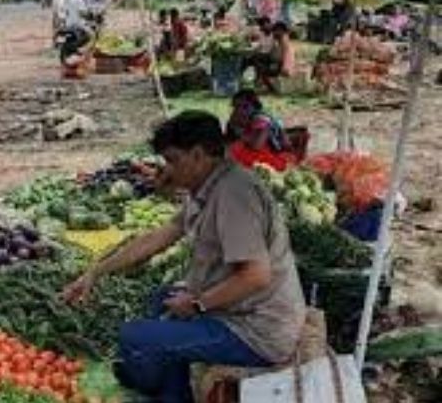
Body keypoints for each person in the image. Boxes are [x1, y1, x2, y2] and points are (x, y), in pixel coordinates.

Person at [62, 111, 307, 402]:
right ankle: (172, 390)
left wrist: (197, 304)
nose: (167, 170)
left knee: (134, 337)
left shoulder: (234, 196)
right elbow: (160, 236)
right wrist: (96, 272)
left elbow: (256, 275)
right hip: (235, 310)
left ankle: (159, 386)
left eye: (173, 160)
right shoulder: (207, 186)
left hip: (255, 331)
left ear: (198, 155)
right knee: (160, 299)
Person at [226, 89, 297, 171]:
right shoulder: (238, 118)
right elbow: (229, 139)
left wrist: (240, 133)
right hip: (259, 154)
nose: (240, 110)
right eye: (236, 106)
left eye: (245, 106)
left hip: (278, 156)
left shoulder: (261, 119)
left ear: (255, 106)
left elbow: (257, 145)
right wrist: (233, 125)